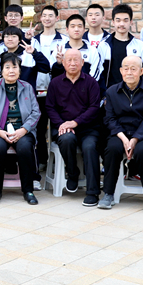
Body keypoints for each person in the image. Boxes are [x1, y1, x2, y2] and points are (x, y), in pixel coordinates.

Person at [98, 56, 143, 213]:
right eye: (126, 68)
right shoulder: (112, 91)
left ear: (141, 71)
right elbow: (109, 119)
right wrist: (122, 137)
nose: (129, 72)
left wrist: (134, 139)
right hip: (119, 133)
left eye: (133, 69)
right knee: (112, 149)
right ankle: (108, 194)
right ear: (121, 71)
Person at [44, 49, 102, 206]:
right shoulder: (55, 83)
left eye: (76, 60)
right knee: (67, 139)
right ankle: (72, 173)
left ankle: (93, 192)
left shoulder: (91, 82)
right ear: (63, 63)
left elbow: (94, 108)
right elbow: (50, 107)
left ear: (82, 62)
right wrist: (62, 124)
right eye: (69, 60)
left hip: (88, 128)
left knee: (90, 147)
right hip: (63, 127)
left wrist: (75, 122)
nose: (72, 63)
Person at [0, 53, 41, 205]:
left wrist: (23, 130)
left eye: (15, 67)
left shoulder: (27, 87)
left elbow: (36, 113)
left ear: (20, 70)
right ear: (1, 70)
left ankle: (28, 190)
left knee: (25, 148)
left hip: (23, 131)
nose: (11, 71)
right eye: (7, 67)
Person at [31, 5, 63, 170]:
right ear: (41, 18)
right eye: (44, 15)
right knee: (40, 127)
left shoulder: (63, 40)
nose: (47, 18)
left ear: (57, 18)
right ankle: (42, 160)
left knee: (58, 126)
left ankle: (58, 161)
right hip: (37, 90)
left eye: (51, 15)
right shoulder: (33, 40)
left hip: (58, 92)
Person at [97, 4, 143, 93]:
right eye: (118, 20)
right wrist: (104, 94)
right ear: (113, 22)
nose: (121, 24)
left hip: (135, 94)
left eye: (125, 20)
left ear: (131, 22)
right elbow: (99, 73)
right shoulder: (104, 45)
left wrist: (141, 94)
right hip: (111, 94)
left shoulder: (140, 46)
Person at [51, 14, 102, 81]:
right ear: (67, 29)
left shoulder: (92, 51)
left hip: (86, 87)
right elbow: (52, 74)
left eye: (79, 26)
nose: (76, 29)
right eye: (73, 26)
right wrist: (59, 64)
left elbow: (95, 75)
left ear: (84, 29)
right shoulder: (59, 50)